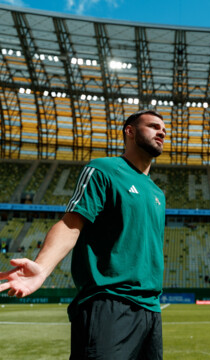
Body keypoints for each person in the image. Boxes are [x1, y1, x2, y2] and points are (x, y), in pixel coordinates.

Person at [0, 109, 167, 359]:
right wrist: (42, 269)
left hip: (151, 311)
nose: (161, 132)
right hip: (108, 302)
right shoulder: (103, 169)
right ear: (129, 132)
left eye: (163, 129)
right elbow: (71, 224)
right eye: (153, 126)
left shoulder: (158, 194)